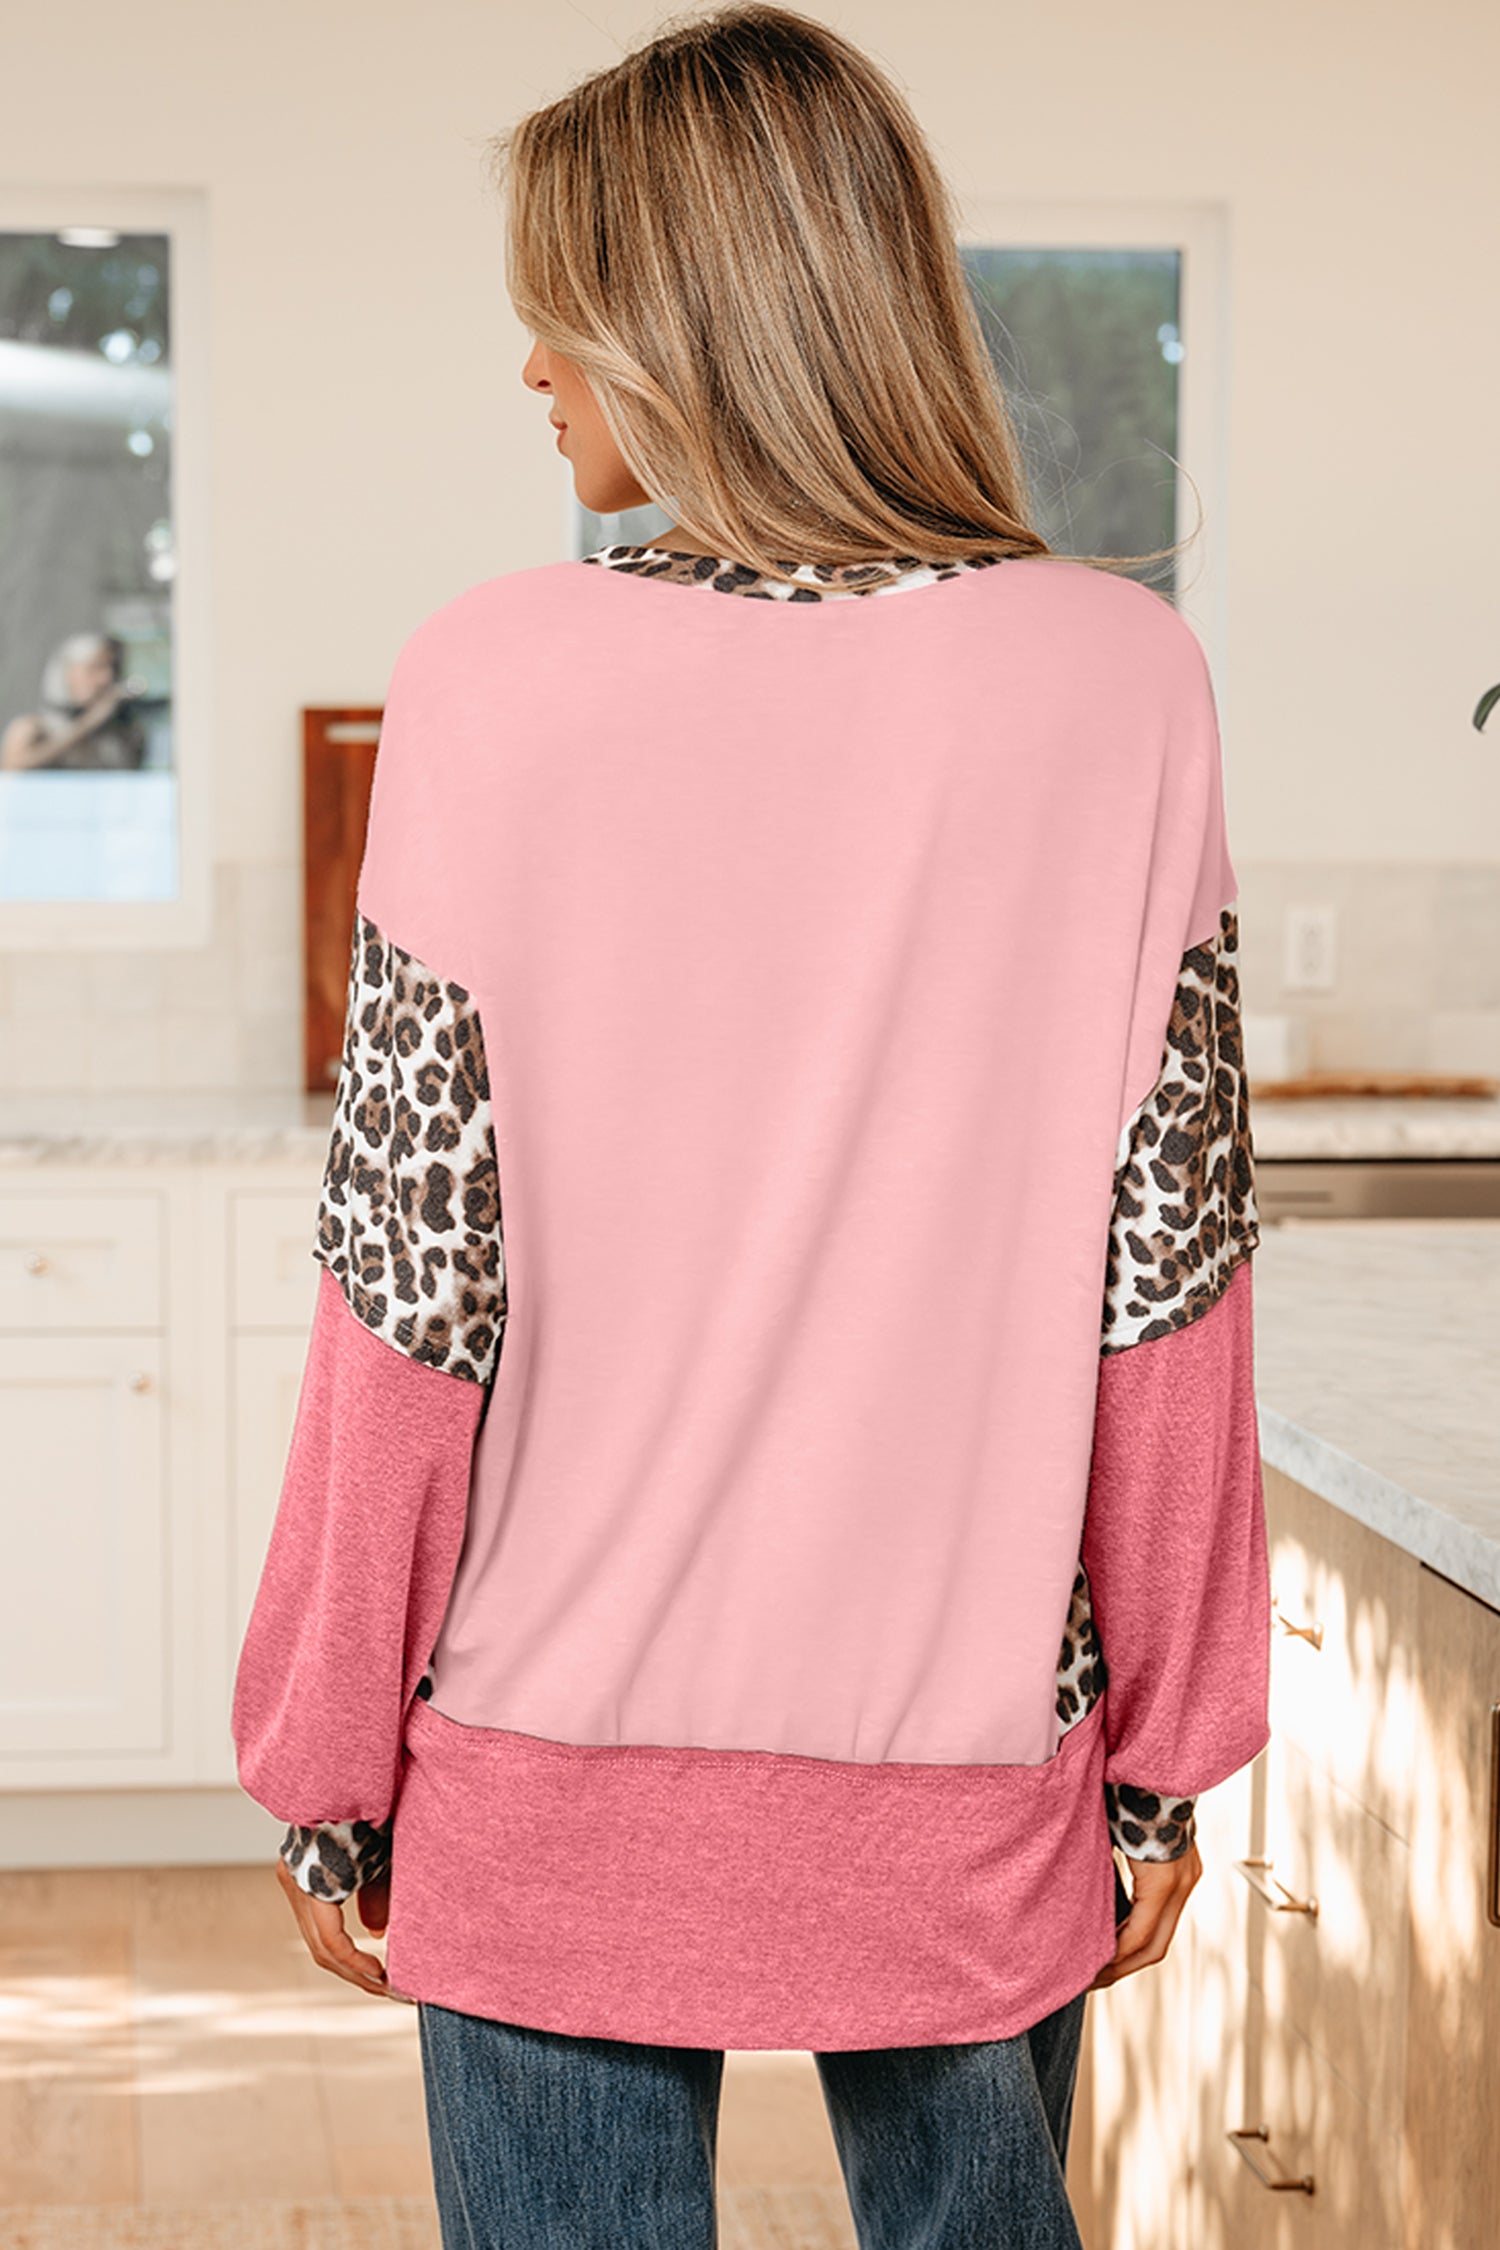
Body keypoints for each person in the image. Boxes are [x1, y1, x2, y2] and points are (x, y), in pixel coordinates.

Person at [231, 7, 1272, 2244]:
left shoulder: (491, 675)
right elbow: (1168, 1278)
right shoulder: (1122, 680)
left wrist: (326, 1760)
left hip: (542, 1750)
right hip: (978, 1755)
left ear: (689, 325)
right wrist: (1169, 1750)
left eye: (561, 311)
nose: (532, 368)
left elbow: (408, 1293)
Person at [0, 632, 148, 770]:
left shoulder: (121, 733)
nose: (106, 678)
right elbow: (12, 770)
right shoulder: (33, 729)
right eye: (94, 668)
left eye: (112, 669)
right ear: (67, 673)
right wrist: (89, 722)